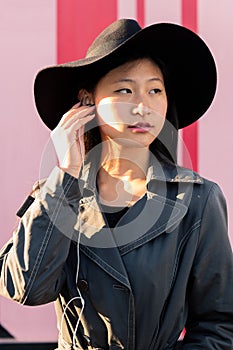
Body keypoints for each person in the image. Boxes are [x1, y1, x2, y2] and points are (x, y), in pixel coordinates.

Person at [0, 18, 232, 350]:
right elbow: (27, 287)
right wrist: (67, 172)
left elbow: (219, 323)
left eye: (155, 90)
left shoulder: (197, 199)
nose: (143, 106)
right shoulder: (56, 194)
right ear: (86, 103)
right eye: (124, 90)